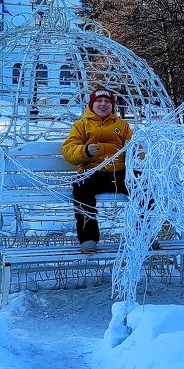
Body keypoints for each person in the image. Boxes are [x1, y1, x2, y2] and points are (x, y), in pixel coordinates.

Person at [62, 87, 133, 253]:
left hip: (120, 173)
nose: (103, 104)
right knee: (81, 187)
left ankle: (144, 233)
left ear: (112, 106)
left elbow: (137, 149)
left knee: (144, 185)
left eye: (107, 101)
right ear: (91, 105)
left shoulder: (122, 126)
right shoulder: (81, 125)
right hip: (93, 173)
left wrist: (135, 150)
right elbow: (68, 151)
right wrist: (85, 151)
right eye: (99, 101)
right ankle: (88, 238)